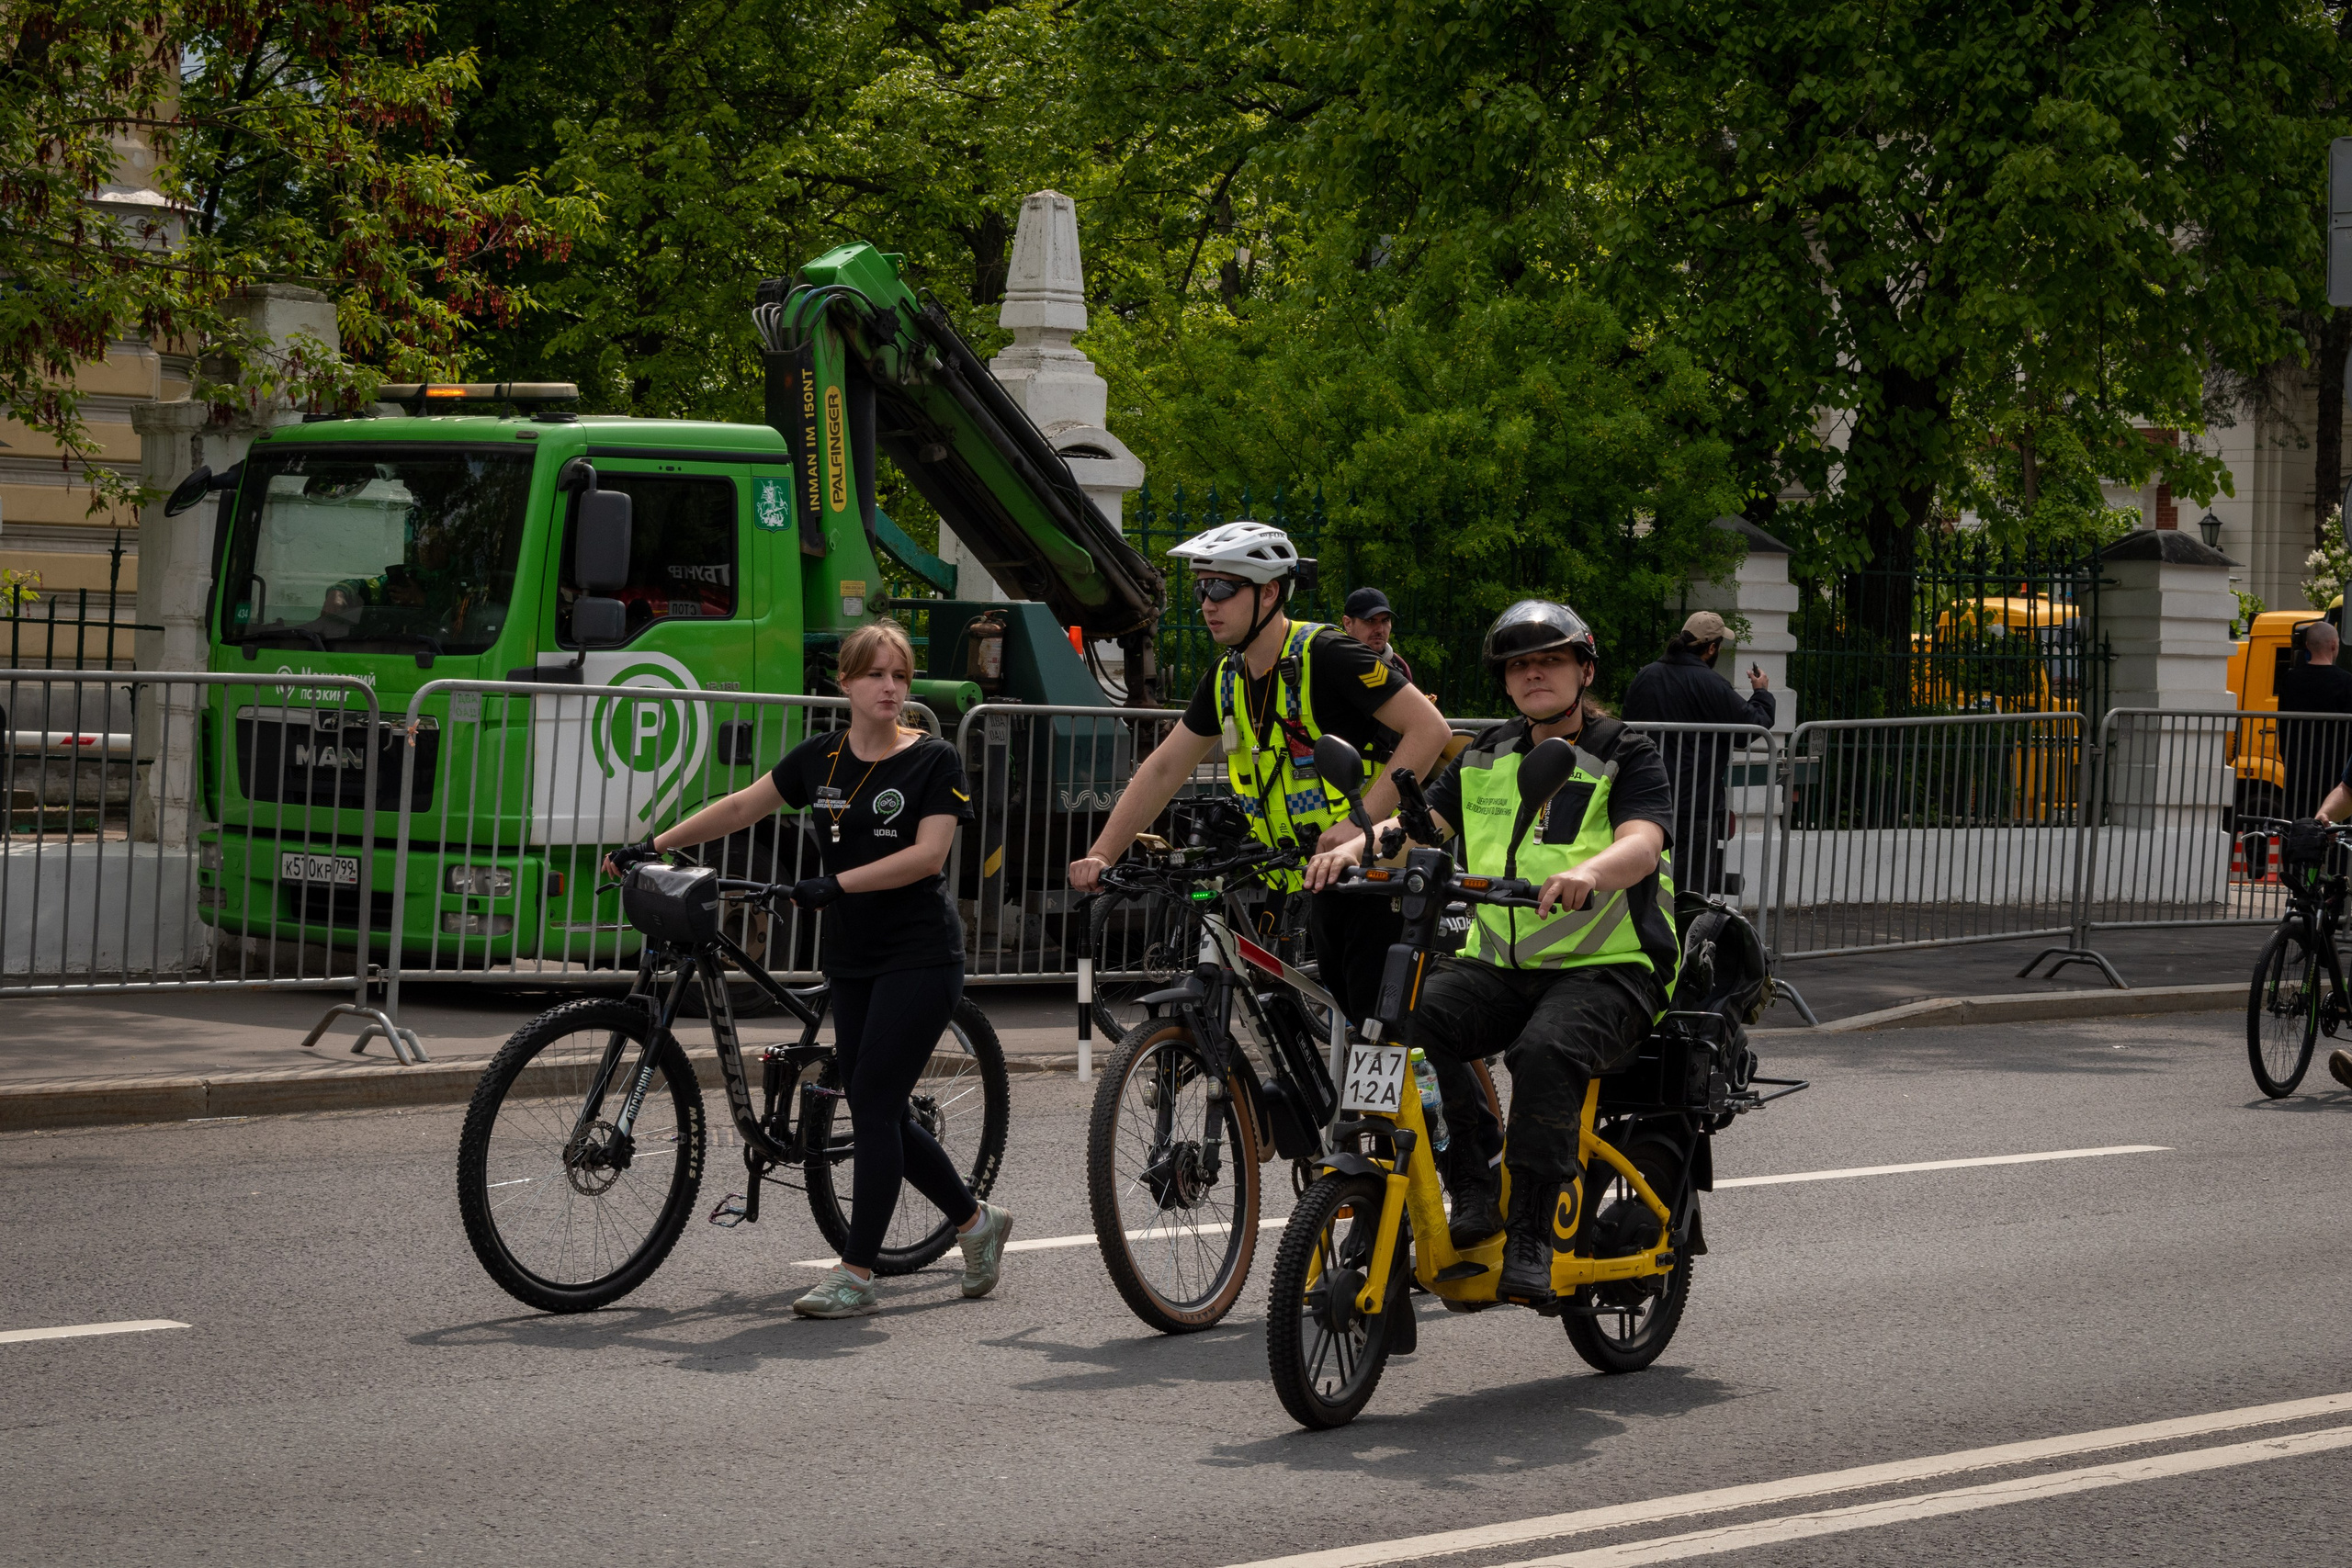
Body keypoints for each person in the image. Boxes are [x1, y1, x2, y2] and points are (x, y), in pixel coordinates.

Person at [605, 621, 1011, 1318]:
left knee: (877, 1106)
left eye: (900, 675)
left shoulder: (934, 759)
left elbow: (928, 857)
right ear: (845, 683)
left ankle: (855, 1272)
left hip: (919, 955)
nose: (890, 687)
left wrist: (840, 882)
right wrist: (654, 842)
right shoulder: (820, 759)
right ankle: (976, 1222)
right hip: (852, 956)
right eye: (876, 674)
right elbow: (742, 805)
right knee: (873, 1100)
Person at [1305, 600, 1679, 1304]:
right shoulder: (1483, 753)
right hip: (1504, 961)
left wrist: (1589, 873)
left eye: (1550, 660)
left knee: (1542, 1051)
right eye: (1519, 665)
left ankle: (1533, 1229)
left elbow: (1643, 841)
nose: (1533, 673)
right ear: (1507, 683)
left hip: (1611, 966)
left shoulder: (1624, 749)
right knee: (1408, 1023)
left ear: (1583, 669)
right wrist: (1354, 846)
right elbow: (1418, 826)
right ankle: (1473, 1179)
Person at [1067, 522, 1453, 1031]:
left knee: (1382, 1031)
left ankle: (1458, 1111)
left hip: (1377, 875)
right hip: (1308, 874)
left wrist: (1361, 830)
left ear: (1270, 592)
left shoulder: (1329, 655)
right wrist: (1102, 852)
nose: (1207, 602)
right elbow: (1163, 767)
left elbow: (1429, 729)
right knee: (1323, 1023)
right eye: (1202, 588)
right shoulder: (1225, 678)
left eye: (1223, 588)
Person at [1621, 610, 1774, 910]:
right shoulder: (1710, 683)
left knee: (1644, 885)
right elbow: (1750, 727)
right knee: (1691, 892)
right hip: (1695, 807)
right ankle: (1687, 950)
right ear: (1712, 648)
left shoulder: (1646, 675)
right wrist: (1762, 693)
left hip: (1644, 801)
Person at [2276, 619, 2352, 818]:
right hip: (2336, 777)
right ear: (2334, 645)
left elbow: (2282, 725)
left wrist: (2287, 759)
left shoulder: (2290, 680)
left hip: (2298, 773)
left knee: (2299, 830)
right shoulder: (2346, 682)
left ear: (2307, 646)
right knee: (2336, 835)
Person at [1343, 586, 1416, 763]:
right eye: (1370, 621)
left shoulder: (1398, 666)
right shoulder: (1335, 663)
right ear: (1348, 623)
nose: (1379, 629)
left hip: (1389, 777)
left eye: (1385, 621)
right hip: (1343, 777)